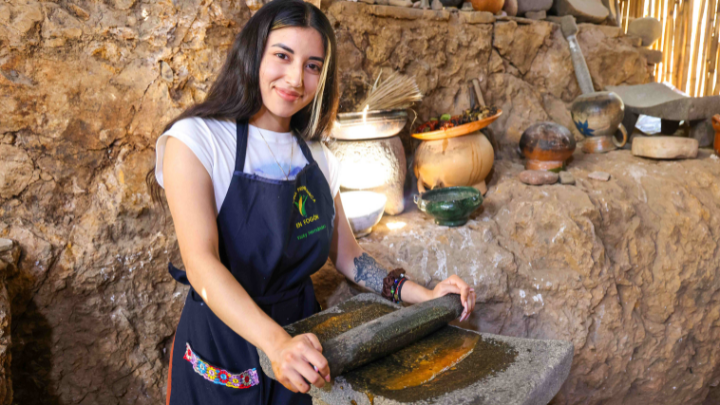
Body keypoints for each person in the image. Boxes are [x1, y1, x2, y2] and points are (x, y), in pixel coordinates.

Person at [148, 0, 477, 403]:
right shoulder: (197, 141)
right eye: (282, 56)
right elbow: (201, 263)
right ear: (253, 55)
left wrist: (423, 295)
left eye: (312, 66)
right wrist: (275, 344)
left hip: (304, 342)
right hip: (225, 346)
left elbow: (350, 259)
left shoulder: (319, 158)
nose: (295, 78)